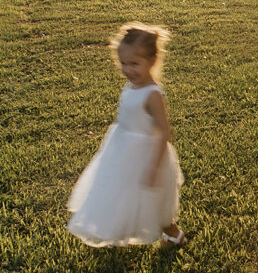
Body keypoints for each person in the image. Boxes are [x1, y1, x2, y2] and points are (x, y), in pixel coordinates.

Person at [67, 23, 185, 248]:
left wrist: (154, 166)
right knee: (120, 195)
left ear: (152, 61)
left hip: (147, 156)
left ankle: (174, 235)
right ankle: (118, 230)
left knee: (154, 205)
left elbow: (164, 131)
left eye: (134, 64)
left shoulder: (152, 94)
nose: (128, 70)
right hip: (121, 150)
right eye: (123, 63)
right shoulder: (131, 86)